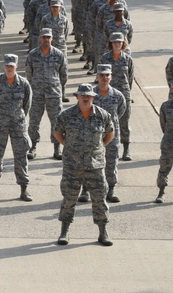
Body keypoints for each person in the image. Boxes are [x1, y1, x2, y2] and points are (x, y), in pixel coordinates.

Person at [53, 83, 115, 247]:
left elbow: (110, 133)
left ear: (93, 97)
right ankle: (64, 232)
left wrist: (100, 147)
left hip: (95, 166)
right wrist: (67, 144)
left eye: (89, 95)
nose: (86, 98)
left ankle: (103, 232)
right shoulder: (66, 115)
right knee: (69, 198)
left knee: (100, 199)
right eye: (83, 95)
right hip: (72, 165)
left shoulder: (103, 115)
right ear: (77, 97)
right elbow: (57, 132)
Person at [0, 54, 33, 202]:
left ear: (16, 66)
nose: (9, 68)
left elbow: (26, 105)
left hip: (18, 125)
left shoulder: (23, 84)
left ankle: (24, 189)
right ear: (4, 66)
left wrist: (17, 116)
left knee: (21, 156)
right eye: (7, 65)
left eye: (12, 65)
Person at [25, 28, 68, 160]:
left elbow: (63, 75)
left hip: (54, 94)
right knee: (34, 121)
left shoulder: (59, 55)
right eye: (43, 37)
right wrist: (35, 86)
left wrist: (57, 88)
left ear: (52, 38)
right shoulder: (32, 55)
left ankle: (57, 148)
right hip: (37, 93)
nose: (46, 39)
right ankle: (32, 147)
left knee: (56, 122)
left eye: (48, 37)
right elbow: (28, 74)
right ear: (39, 38)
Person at [92, 64, 126, 203]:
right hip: (93, 135)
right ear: (97, 76)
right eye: (102, 75)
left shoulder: (117, 95)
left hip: (111, 135)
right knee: (90, 163)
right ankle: (86, 190)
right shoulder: (91, 94)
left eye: (107, 75)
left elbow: (121, 112)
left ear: (111, 77)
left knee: (111, 162)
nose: (104, 78)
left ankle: (110, 190)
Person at [100, 32, 135, 161]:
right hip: (108, 94)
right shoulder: (105, 58)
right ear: (111, 44)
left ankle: (126, 149)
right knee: (106, 122)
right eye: (115, 42)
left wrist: (128, 92)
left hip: (123, 94)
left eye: (119, 42)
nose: (117, 44)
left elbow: (130, 78)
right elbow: (100, 76)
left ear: (123, 43)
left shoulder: (127, 59)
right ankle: (105, 148)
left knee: (124, 122)